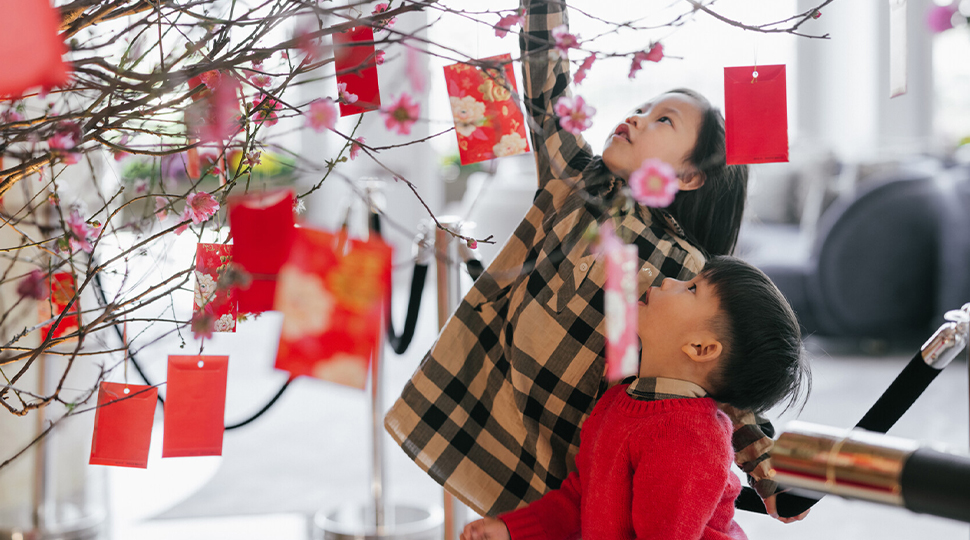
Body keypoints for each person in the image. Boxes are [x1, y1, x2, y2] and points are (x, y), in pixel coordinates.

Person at [385, 0, 784, 519]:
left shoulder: (687, 268)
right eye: (643, 107)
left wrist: (767, 471)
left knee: (548, 525)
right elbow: (547, 90)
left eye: (663, 120)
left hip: (576, 454)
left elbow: (722, 383)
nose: (637, 119)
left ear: (690, 177)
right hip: (495, 401)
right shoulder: (576, 180)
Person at [460, 256, 810, 540]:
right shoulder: (619, 403)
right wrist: (511, 529)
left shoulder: (690, 437)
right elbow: (580, 499)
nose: (670, 281)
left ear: (700, 348)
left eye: (691, 289)